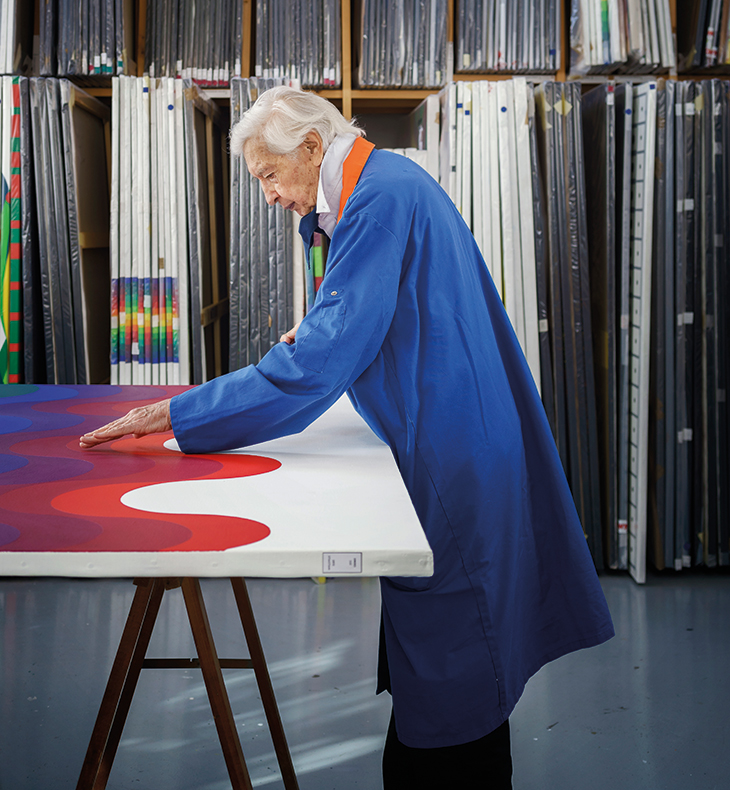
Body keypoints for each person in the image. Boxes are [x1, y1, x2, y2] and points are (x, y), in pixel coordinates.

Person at [81, 86, 614, 789]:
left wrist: (180, 413)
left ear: (310, 146)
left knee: (459, 680)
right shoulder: (373, 188)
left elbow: (321, 363)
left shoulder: (378, 198)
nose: (268, 197)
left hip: (450, 459)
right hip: (450, 435)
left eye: (269, 176)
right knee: (456, 670)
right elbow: (363, 317)